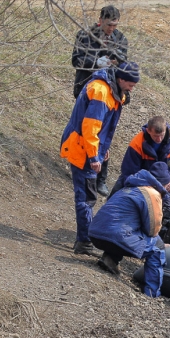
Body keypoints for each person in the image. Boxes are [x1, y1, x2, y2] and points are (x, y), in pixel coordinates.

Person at [60, 61, 140, 256]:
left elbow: (102, 127)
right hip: (83, 149)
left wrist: (103, 149)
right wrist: (94, 156)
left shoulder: (111, 90)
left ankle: (85, 239)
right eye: (131, 84)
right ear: (121, 79)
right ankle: (84, 242)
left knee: (87, 195)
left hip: (88, 148)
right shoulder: (101, 92)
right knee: (86, 197)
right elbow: (90, 128)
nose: (132, 88)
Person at [72, 5, 130, 197]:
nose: (111, 28)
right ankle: (80, 166)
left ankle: (101, 178)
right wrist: (96, 62)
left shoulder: (120, 39)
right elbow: (76, 60)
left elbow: (123, 62)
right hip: (86, 89)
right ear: (101, 20)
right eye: (109, 24)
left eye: (115, 25)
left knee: (104, 134)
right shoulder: (85, 35)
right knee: (84, 129)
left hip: (110, 93)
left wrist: (115, 63)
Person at [88, 163, 169, 297]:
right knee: (157, 247)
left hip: (96, 233)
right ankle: (152, 292)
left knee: (124, 230)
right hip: (115, 236)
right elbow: (152, 230)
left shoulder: (129, 187)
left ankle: (110, 259)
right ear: (162, 183)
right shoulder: (152, 193)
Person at [112, 116, 170, 218]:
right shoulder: (137, 143)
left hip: (165, 182)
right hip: (141, 180)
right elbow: (129, 172)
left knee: (167, 213)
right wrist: (146, 187)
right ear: (148, 131)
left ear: (166, 129)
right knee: (115, 202)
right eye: (156, 136)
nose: (159, 139)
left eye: (161, 135)